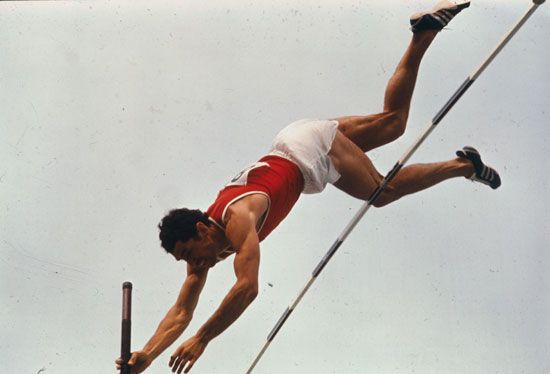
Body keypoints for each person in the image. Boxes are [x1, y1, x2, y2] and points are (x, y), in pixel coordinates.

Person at [116, 1, 500, 373]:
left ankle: (462, 166)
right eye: (186, 261)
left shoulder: (235, 221)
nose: (194, 265)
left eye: (190, 253)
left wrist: (201, 339)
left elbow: (247, 288)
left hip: (305, 152)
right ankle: (425, 31)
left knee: (382, 192)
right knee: (393, 123)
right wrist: (146, 356)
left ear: (202, 229)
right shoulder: (206, 249)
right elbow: (181, 311)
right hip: (294, 138)